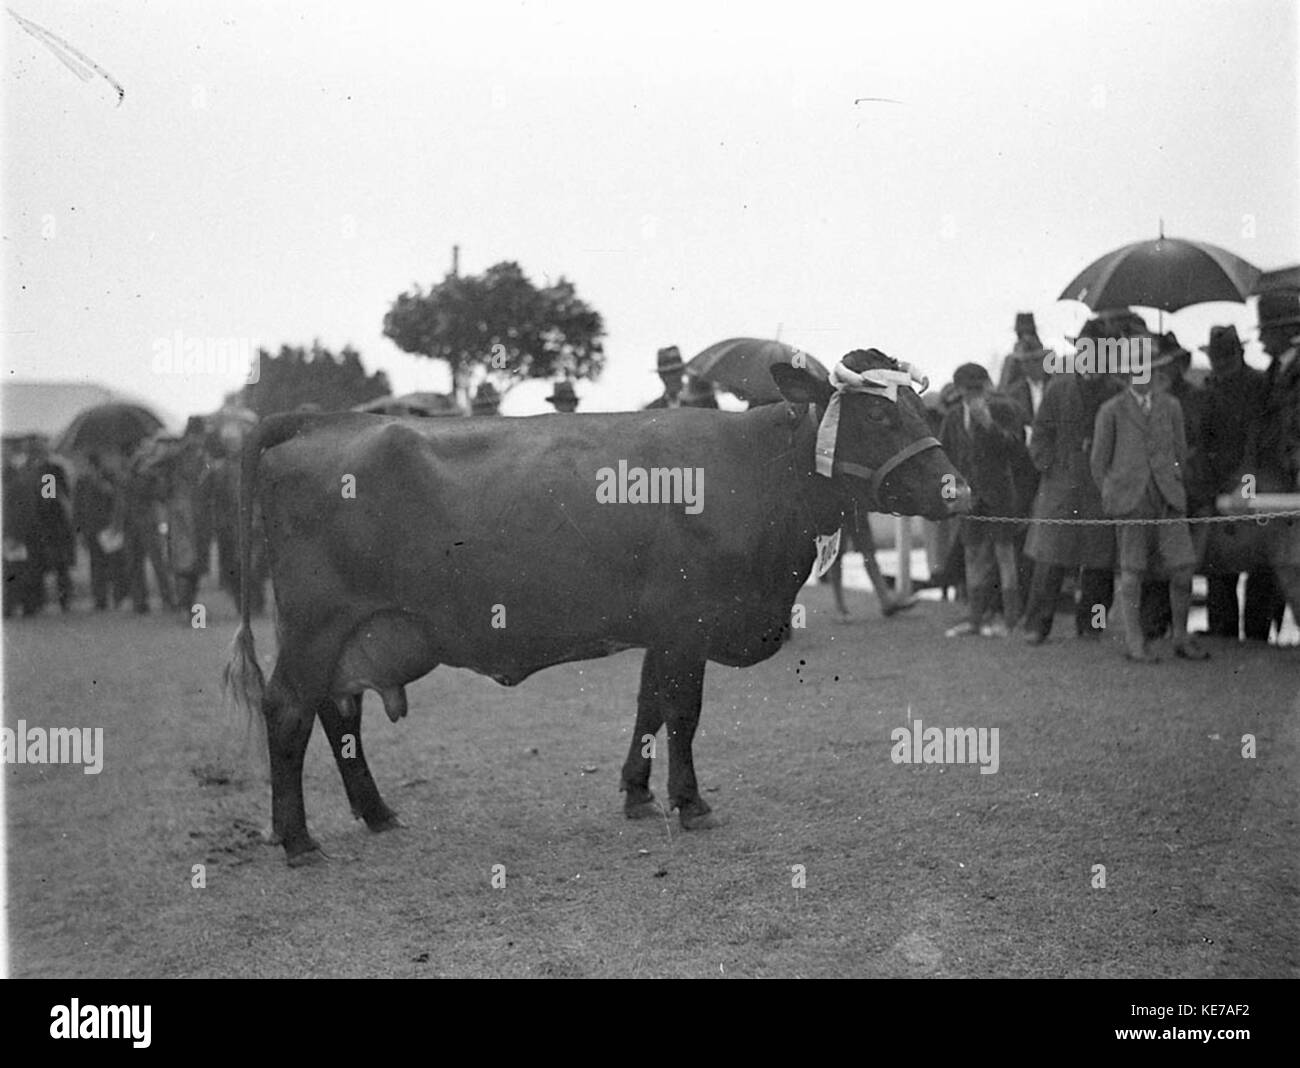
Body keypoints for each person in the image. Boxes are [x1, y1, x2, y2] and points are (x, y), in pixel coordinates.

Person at [1090, 346, 1208, 662]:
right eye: (1138, 369)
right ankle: (1135, 643)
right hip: (1131, 502)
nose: (1146, 375)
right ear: (1128, 374)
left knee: (1183, 569)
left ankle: (1181, 637)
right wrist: (1115, 495)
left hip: (1168, 498)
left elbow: (1180, 453)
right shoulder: (1111, 410)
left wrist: (1170, 479)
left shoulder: (1171, 406)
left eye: (1151, 369)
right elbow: (1098, 463)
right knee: (1132, 572)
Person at [1021, 320, 1121, 645]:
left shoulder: (1117, 391)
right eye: (1084, 350)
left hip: (1099, 490)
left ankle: (1092, 625)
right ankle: (1037, 626)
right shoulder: (1058, 388)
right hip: (1060, 487)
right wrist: (1050, 465)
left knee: (1099, 564)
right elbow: (1039, 437)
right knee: (1049, 561)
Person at [1196, 325, 1274, 640]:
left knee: (1258, 564)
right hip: (1218, 484)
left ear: (1238, 354)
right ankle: (1223, 631)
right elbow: (1201, 441)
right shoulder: (1208, 390)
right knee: (1219, 566)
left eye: (1224, 357)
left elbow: (1261, 438)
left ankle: (1256, 634)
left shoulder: (1261, 386)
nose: (1220, 364)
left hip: (1252, 483)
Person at [940, 363, 1030, 637]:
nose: (974, 395)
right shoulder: (954, 417)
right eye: (969, 390)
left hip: (1000, 494)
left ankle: (1010, 620)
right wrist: (950, 493)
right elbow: (945, 458)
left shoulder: (1003, 410)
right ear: (959, 390)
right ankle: (976, 619)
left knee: (1005, 555)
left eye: (978, 388)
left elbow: (1017, 448)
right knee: (972, 557)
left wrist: (989, 424)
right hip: (970, 497)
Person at [1245, 284, 1300, 629]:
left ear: (1288, 332)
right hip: (1280, 483)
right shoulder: (1275, 373)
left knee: (1291, 563)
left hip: (1293, 481)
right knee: (1286, 563)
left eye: (1267, 332)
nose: (1263, 342)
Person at [827, 510, 919, 620]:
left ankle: (885, 600)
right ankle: (840, 607)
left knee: (867, 550)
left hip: (855, 502)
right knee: (836, 553)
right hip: (834, 503)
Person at [22, 435, 75, 613]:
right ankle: (46, 600)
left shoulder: (48, 470)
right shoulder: (32, 469)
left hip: (50, 523)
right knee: (41, 565)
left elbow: (49, 496)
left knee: (57, 565)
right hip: (39, 523)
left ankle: (61, 600)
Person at [122, 438, 174, 614]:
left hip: (147, 521)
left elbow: (160, 494)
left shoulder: (151, 475)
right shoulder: (130, 474)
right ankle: (141, 601)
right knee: (136, 563)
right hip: (134, 523)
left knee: (156, 562)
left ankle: (166, 599)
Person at [74, 451, 127, 610]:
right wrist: (79, 531)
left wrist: (116, 524)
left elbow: (117, 499)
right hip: (91, 528)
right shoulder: (82, 482)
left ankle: (118, 597)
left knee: (114, 565)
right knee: (96, 565)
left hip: (107, 528)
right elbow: (78, 508)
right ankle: (100, 599)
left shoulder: (109, 478)